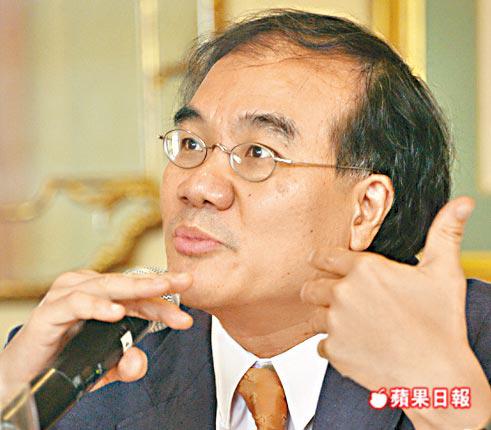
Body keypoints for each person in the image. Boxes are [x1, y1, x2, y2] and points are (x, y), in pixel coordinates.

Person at [1, 9, 490, 430]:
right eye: (191, 144)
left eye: (258, 153)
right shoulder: (85, 371)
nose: (198, 186)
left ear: (365, 209)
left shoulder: (471, 349)